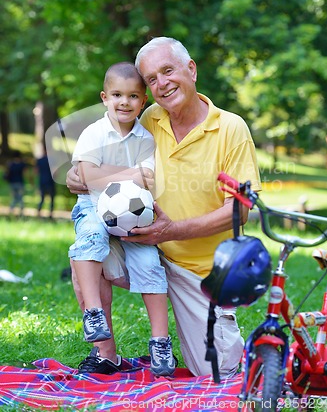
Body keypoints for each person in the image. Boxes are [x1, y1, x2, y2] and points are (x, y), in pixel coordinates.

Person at [66, 37, 261, 378]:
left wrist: (171, 231)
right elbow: (101, 149)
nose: (162, 84)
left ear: (191, 69)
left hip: (198, 271)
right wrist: (78, 173)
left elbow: (240, 211)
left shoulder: (231, 128)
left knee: (218, 371)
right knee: (86, 250)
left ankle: (187, 337)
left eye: (168, 71)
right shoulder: (148, 117)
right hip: (139, 245)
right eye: (152, 79)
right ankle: (105, 354)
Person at [69, 61, 175, 377]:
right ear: (104, 97)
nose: (124, 102)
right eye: (117, 95)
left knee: (149, 264)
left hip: (134, 215)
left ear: (143, 101)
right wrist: (129, 175)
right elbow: (87, 176)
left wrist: (103, 175)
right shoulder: (93, 133)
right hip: (93, 209)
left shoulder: (145, 139)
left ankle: (160, 341)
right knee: (91, 239)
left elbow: (149, 180)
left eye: (132, 96)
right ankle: (93, 313)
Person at [4, 150, 28, 217]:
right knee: (20, 198)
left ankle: (11, 210)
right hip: (20, 182)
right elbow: (25, 173)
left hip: (12, 183)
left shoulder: (10, 164)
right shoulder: (22, 164)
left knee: (14, 198)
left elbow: (7, 172)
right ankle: (21, 212)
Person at [36, 153, 56, 219]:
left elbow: (36, 171)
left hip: (42, 181)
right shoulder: (52, 160)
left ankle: (38, 212)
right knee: (52, 199)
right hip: (50, 181)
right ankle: (50, 213)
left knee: (42, 198)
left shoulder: (40, 160)